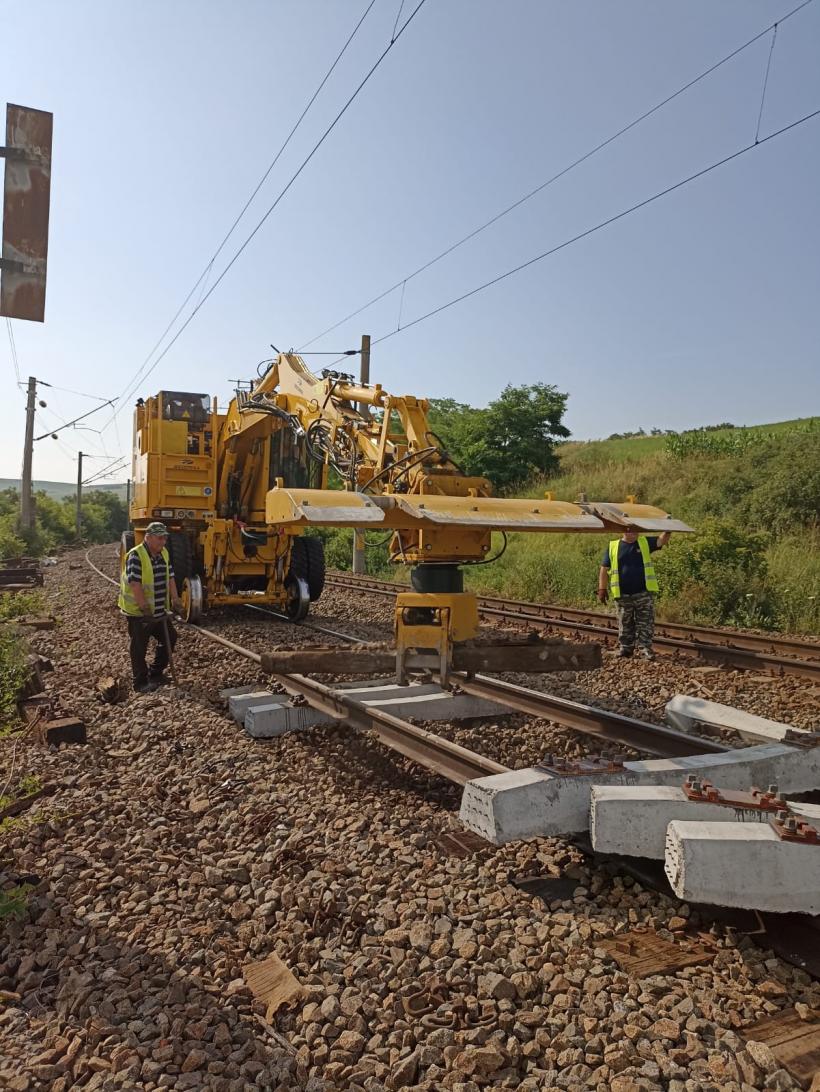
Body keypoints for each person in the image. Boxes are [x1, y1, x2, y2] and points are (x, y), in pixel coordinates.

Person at [118, 522, 183, 692]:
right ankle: (140, 682)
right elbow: (134, 583)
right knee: (139, 646)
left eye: (165, 538)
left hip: (159, 610)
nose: (163, 541)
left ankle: (155, 673)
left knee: (170, 637)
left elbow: (171, 577)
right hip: (139, 612)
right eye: (160, 538)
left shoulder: (164, 553)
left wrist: (175, 599)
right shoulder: (136, 555)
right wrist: (144, 607)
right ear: (148, 537)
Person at [597, 526, 671, 659]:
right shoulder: (613, 546)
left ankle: (645, 649)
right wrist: (602, 589)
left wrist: (667, 529)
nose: (632, 533)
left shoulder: (644, 542)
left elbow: (661, 541)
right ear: (623, 531)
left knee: (645, 622)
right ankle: (626, 648)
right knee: (625, 622)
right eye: (629, 530)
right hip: (623, 594)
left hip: (643, 593)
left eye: (635, 530)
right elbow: (604, 568)